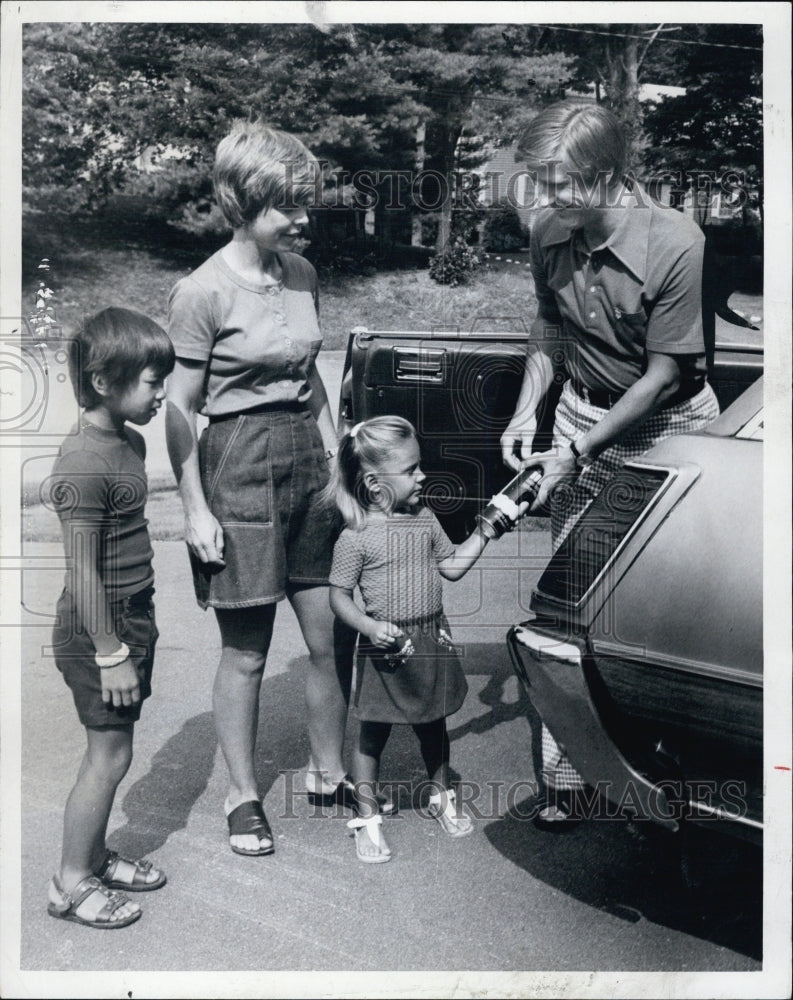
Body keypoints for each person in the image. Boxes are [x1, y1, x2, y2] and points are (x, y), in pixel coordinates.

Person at [501, 102, 720, 828]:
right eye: (537, 182)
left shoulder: (675, 241)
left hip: (665, 428)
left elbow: (662, 376)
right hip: (577, 417)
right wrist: (526, 411)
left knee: (661, 610)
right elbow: (547, 322)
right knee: (566, 603)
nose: (543, 199)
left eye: (557, 183)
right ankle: (567, 780)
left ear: (606, 175)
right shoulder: (549, 229)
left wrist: (576, 452)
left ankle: (670, 775)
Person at [165, 119, 357, 858]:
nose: (304, 217)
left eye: (306, 203)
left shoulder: (302, 273)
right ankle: (242, 797)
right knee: (246, 649)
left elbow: (310, 375)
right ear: (242, 202)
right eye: (289, 206)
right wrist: (193, 508)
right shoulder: (201, 291)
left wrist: (339, 463)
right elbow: (179, 409)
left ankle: (328, 772)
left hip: (307, 461)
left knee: (327, 632)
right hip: (235, 461)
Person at [326, 417, 526, 863]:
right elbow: (338, 597)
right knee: (371, 734)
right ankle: (368, 817)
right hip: (385, 647)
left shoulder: (425, 519)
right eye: (412, 469)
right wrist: (369, 626)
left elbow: (452, 565)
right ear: (375, 484)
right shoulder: (355, 536)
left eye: (420, 467)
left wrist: (492, 525)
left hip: (431, 636)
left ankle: (440, 795)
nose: (422, 476)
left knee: (433, 723)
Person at [46, 307, 174, 928]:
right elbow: (82, 571)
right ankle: (70, 880)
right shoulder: (80, 463)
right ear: (104, 380)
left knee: (117, 746)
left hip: (131, 617)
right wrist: (110, 650)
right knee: (109, 754)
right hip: (99, 628)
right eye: (153, 382)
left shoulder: (131, 441)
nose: (163, 394)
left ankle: (93, 855)